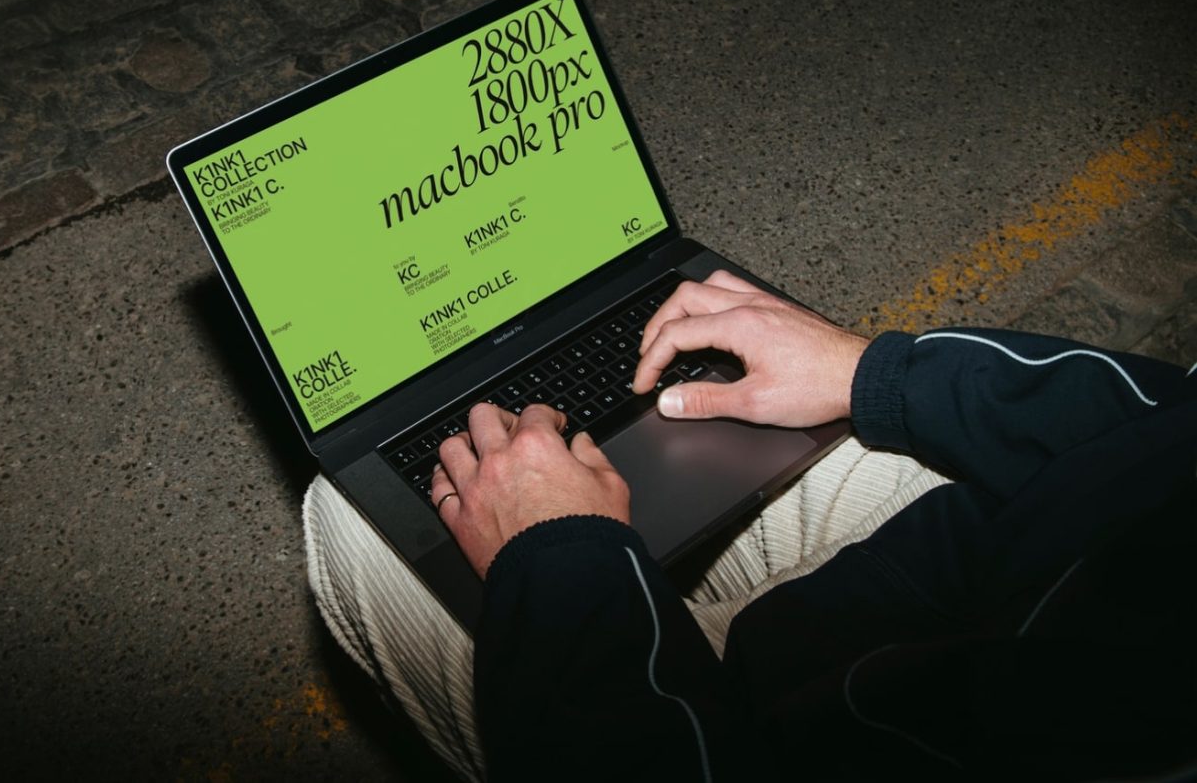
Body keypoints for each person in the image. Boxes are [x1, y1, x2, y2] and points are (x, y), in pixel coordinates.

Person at [303, 271, 1196, 781]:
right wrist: (871, 374)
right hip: (965, 576)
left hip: (774, 742)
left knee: (349, 516)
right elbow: (1169, 421)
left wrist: (561, 558)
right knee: (743, 413)